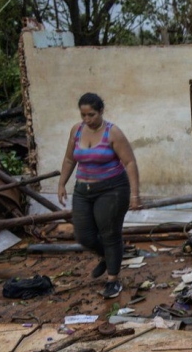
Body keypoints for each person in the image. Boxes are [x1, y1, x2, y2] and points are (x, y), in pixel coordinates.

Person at [57, 93, 142, 299]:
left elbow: (130, 163)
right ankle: (107, 256)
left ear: (101, 111)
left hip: (112, 189)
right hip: (83, 190)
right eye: (84, 115)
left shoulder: (113, 133)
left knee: (109, 233)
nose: (87, 119)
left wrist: (135, 195)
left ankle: (113, 280)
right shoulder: (76, 131)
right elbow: (70, 159)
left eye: (92, 115)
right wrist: (61, 183)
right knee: (83, 234)